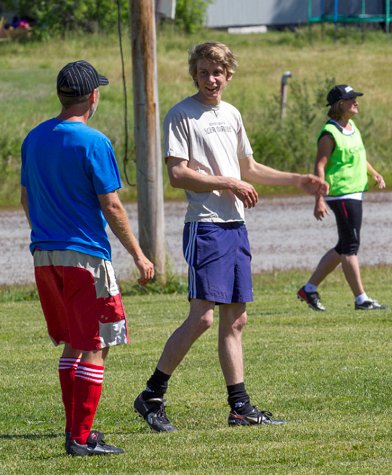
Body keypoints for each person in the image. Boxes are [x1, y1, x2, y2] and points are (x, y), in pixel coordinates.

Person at [132, 42, 327, 431]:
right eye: (204, 72)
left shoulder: (232, 114)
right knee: (203, 317)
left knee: (236, 320)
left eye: (217, 72)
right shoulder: (181, 115)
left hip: (235, 226)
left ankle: (240, 408)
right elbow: (178, 174)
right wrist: (228, 183)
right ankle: (152, 395)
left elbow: (248, 167)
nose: (211, 79)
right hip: (205, 225)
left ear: (229, 75)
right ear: (195, 74)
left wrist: (297, 180)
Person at [20, 60, 154, 456]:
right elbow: (111, 205)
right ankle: (80, 438)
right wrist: (139, 255)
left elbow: (26, 198)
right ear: (93, 96)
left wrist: (47, 234)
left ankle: (76, 430)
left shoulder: (34, 138)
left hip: (45, 255)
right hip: (86, 257)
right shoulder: (94, 142)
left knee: (74, 344)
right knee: (97, 342)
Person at [297, 85, 387, 312]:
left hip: (354, 193)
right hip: (341, 195)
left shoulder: (352, 127)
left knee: (344, 246)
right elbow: (320, 165)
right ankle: (361, 299)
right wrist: (318, 199)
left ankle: (309, 289)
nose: (356, 102)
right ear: (340, 104)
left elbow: (359, 156)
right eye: (351, 99)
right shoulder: (329, 133)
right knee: (350, 248)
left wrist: (374, 173)